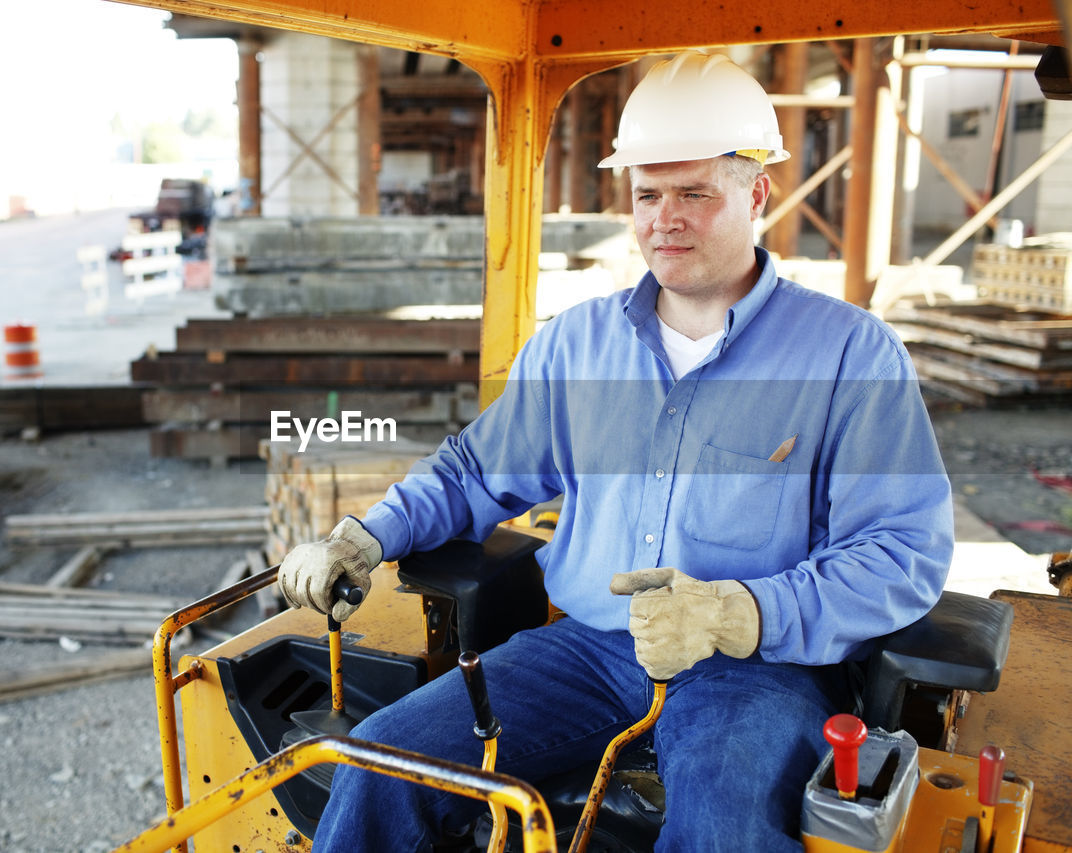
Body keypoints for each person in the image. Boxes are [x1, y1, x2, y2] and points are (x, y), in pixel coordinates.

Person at [277, 50, 953, 852]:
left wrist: (742, 611)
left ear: (757, 192)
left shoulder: (849, 355)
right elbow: (473, 472)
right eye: (647, 194)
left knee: (724, 836)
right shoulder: (576, 347)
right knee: (378, 764)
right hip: (587, 648)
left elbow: (903, 550)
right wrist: (367, 536)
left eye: (694, 193)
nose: (665, 218)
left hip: (756, 669)